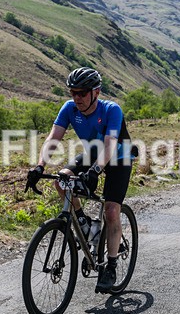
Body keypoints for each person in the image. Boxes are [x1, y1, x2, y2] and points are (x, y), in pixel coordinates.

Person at [26, 67, 134, 293]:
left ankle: (111, 267)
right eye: (73, 92)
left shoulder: (111, 110)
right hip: (94, 154)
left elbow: (110, 145)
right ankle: (85, 225)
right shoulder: (69, 108)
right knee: (61, 181)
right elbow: (53, 138)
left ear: (96, 92)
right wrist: (39, 166)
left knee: (112, 210)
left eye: (82, 93)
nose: (77, 98)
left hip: (119, 158)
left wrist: (95, 171)